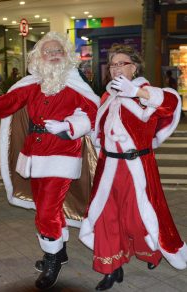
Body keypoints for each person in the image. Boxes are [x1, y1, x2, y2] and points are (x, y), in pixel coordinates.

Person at [0, 32, 99, 289]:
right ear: (39, 57)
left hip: (63, 155)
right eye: (49, 51)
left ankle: (53, 258)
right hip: (34, 156)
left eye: (59, 51)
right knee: (47, 208)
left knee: (46, 211)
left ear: (66, 56)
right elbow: (7, 102)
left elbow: (95, 114)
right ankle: (59, 250)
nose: (54, 55)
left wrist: (69, 125)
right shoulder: (32, 85)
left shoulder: (76, 86)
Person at [79, 44, 187, 291]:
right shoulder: (106, 97)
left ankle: (151, 252)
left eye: (122, 63)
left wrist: (138, 91)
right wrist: (72, 124)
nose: (116, 68)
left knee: (138, 217)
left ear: (134, 66)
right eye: (113, 64)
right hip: (108, 166)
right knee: (106, 217)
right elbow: (96, 126)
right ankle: (111, 268)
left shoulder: (146, 91)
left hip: (136, 166)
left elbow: (170, 103)